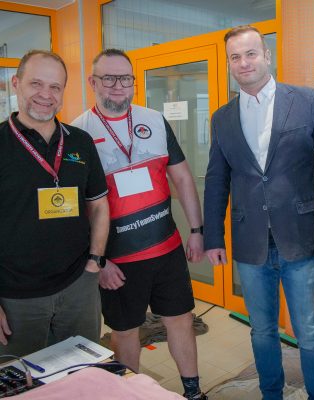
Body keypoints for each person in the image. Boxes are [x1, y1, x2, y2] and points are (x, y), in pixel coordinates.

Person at [203, 25, 314, 400]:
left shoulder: (306, 101)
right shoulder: (222, 118)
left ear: (267, 55)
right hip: (250, 243)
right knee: (261, 331)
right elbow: (216, 180)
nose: (244, 63)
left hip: (301, 239)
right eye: (235, 57)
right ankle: (271, 394)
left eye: (250, 53)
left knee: (310, 331)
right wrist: (213, 236)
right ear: (229, 63)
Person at [72, 49, 207, 400]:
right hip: (117, 260)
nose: (118, 85)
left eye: (125, 78)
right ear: (92, 82)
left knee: (181, 319)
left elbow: (182, 178)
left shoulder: (155, 120)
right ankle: (128, 395)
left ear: (133, 81)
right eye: (109, 78)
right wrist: (99, 261)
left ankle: (193, 392)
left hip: (166, 248)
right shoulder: (77, 133)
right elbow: (77, 209)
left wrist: (196, 230)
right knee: (125, 331)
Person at [0, 50, 109, 356]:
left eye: (55, 87)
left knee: (84, 369)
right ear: (16, 83)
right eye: (36, 84)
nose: (45, 95)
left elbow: (99, 206)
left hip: (78, 286)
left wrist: (95, 262)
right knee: (21, 377)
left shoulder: (80, 141)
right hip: (15, 297)